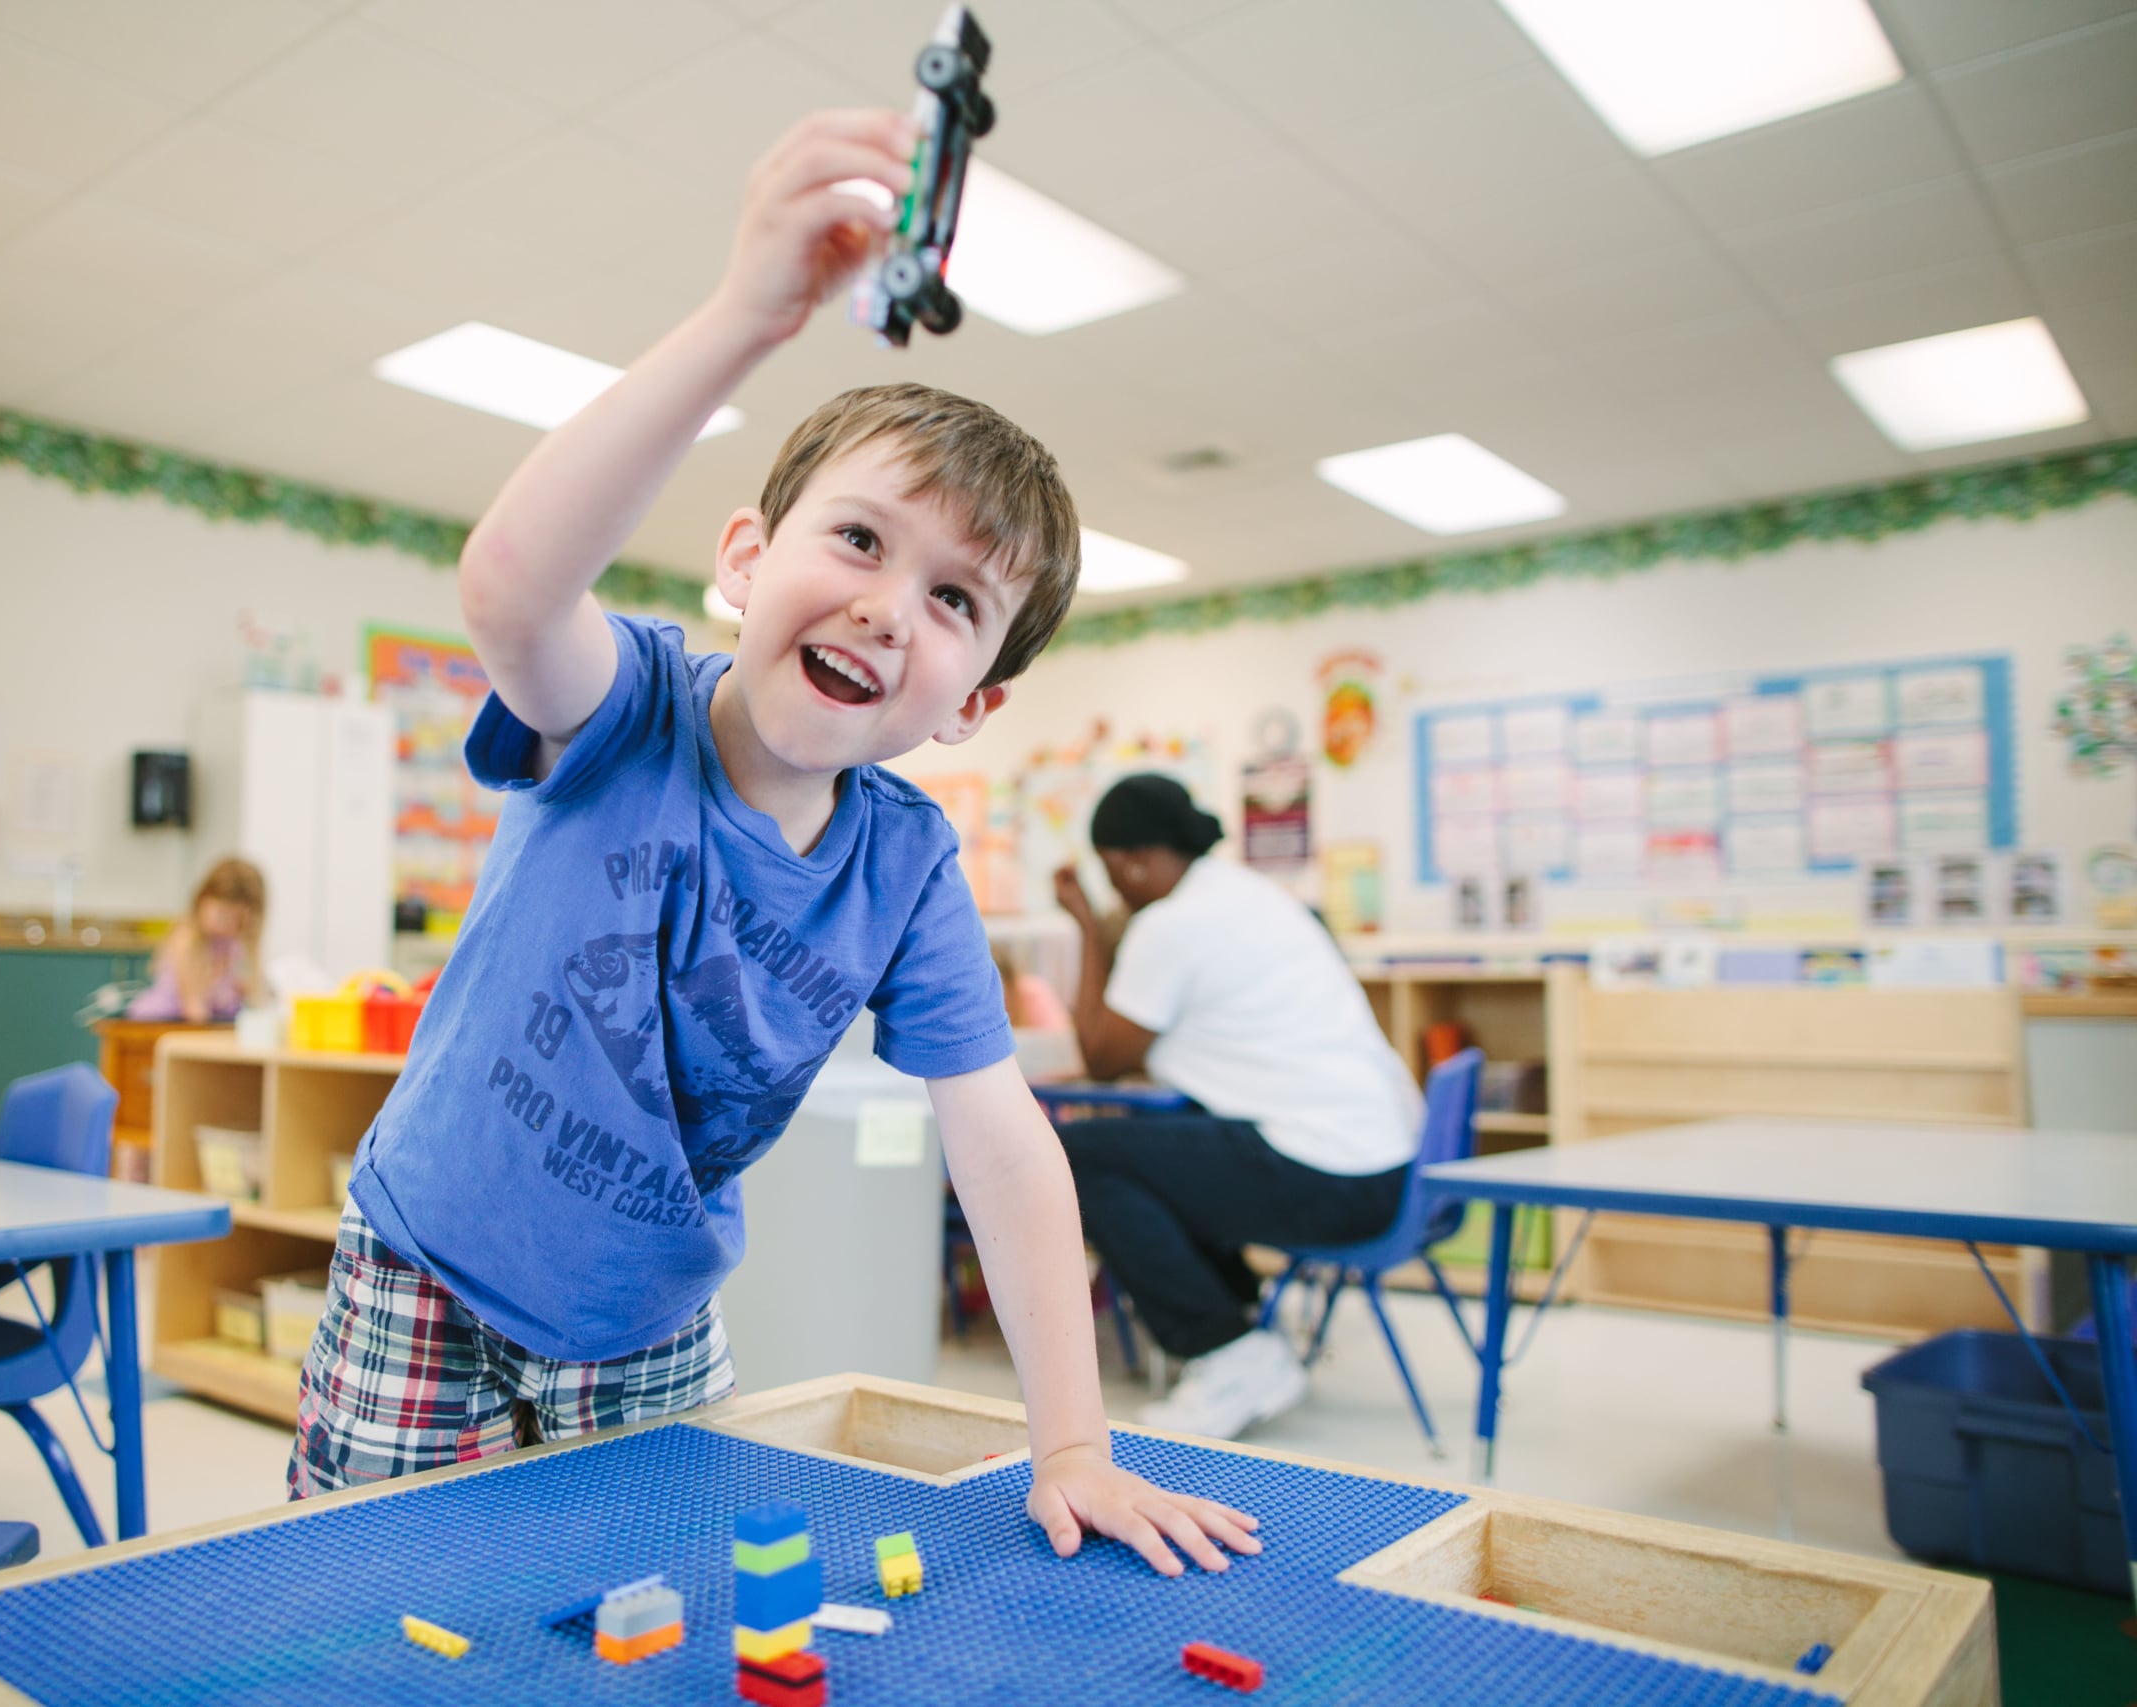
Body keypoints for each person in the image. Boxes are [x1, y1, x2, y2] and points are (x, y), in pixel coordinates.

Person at [291, 110, 1258, 1578]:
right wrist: (750, 315)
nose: (888, 607)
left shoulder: (908, 865)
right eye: (860, 542)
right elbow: (507, 586)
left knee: (652, 1632)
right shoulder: (624, 708)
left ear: (974, 701)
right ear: (747, 560)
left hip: (658, 1323)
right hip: (429, 1273)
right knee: (372, 1625)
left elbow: (1002, 1147)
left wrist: (1073, 1445)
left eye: (954, 601)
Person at [1052, 774, 1422, 1440]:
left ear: (1134, 860)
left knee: (1077, 1156)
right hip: (1381, 1164)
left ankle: (1228, 1352)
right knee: (1159, 1140)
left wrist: (1083, 925)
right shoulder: (1248, 894)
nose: (1117, 891)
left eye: (1114, 874)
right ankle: (1243, 1327)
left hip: (1330, 1175)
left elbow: (1102, 1055)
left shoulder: (1171, 924)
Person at [129, 858, 267, 1023]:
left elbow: (251, 1000)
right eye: (222, 914)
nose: (227, 925)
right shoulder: (187, 939)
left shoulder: (232, 945)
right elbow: (195, 1011)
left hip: (205, 1026)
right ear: (202, 900)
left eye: (236, 920)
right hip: (162, 1024)